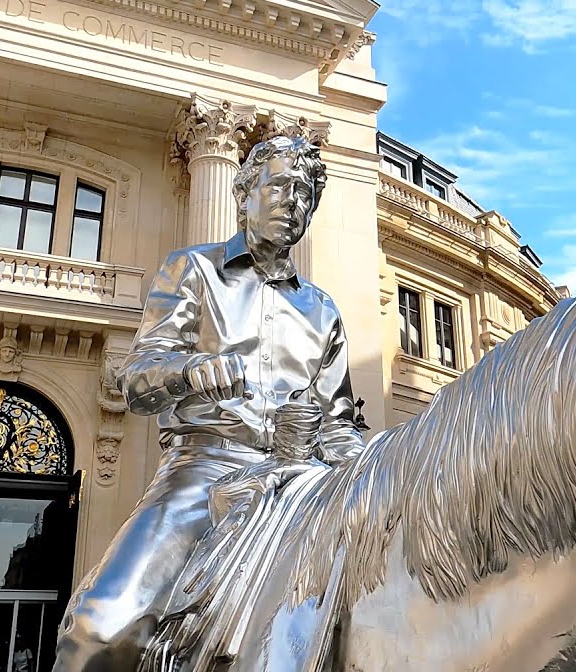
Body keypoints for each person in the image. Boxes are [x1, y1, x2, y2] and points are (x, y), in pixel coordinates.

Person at [53, 135, 365, 671]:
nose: (295, 202)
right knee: (100, 629)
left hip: (300, 485)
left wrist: (352, 451)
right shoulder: (192, 270)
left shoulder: (323, 310)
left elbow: (340, 425)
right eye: (284, 187)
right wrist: (192, 371)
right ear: (245, 193)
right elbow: (136, 381)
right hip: (205, 469)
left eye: (307, 196)